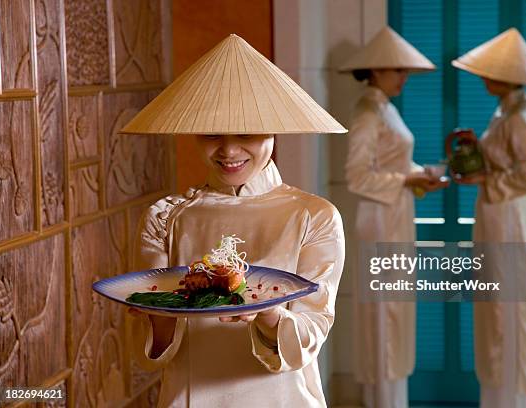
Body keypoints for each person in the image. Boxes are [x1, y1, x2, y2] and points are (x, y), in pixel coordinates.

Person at [121, 34, 347, 408]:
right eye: (211, 134)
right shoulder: (165, 217)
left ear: (275, 129)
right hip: (189, 396)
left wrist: (269, 313)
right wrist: (157, 314)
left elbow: (312, 331)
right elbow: (149, 352)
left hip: (283, 397)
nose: (227, 151)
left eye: (245, 133)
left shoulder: (314, 216)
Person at [339, 26, 449, 408]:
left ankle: (390, 399)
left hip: (396, 211)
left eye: (404, 71)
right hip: (380, 216)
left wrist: (422, 176)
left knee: (395, 308)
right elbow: (357, 175)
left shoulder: (385, 107)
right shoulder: (368, 109)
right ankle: (384, 401)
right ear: (375, 70)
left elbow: (394, 164)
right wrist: (408, 178)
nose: (404, 78)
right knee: (386, 310)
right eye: (397, 71)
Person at [452, 27, 526, 408]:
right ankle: (496, 393)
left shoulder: (522, 117)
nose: (482, 79)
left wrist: (488, 179)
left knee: (508, 308)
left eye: (488, 72)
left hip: (510, 218)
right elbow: (507, 160)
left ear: (505, 76)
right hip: (495, 215)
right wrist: (478, 149)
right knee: (495, 305)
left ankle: (512, 396)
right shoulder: (506, 111)